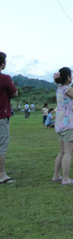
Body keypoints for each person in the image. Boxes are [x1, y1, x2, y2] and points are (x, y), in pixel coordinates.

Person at [52, 67, 73, 185]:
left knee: (62, 151)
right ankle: (66, 179)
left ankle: (56, 175)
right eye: (71, 75)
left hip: (60, 124)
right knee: (68, 152)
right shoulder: (67, 89)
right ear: (68, 77)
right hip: (69, 124)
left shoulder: (60, 89)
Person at [0, 52, 18, 184]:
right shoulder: (5, 78)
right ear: (2, 63)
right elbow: (15, 93)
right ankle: (2, 175)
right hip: (1, 116)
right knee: (1, 146)